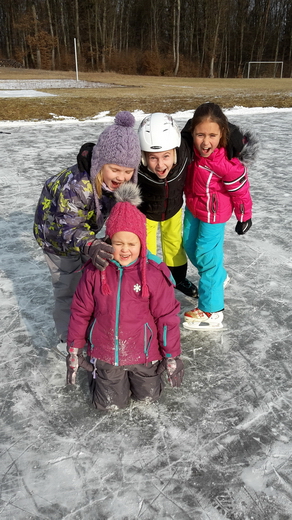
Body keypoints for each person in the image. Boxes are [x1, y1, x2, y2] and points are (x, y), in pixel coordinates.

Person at [66, 183, 184, 410]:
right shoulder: (95, 270)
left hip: (145, 354)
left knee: (149, 399)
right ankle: (101, 379)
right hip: (106, 354)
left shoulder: (154, 273)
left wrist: (171, 355)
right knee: (110, 406)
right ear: (109, 241)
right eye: (119, 243)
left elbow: (167, 317)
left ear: (142, 243)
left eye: (132, 243)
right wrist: (74, 348)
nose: (125, 249)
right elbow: (80, 311)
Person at [33, 111, 141, 353]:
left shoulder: (118, 183)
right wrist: (92, 245)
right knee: (68, 287)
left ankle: (86, 322)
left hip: (84, 232)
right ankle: (67, 337)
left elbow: (120, 215)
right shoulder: (77, 187)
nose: (121, 177)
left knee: (87, 280)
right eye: (115, 169)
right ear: (100, 163)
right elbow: (67, 227)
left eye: (127, 172)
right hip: (55, 237)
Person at [182, 102, 254, 331]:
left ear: (222, 133)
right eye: (200, 134)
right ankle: (218, 277)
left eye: (212, 135)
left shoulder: (225, 161)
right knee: (188, 245)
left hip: (214, 214)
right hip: (194, 208)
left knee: (207, 254)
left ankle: (211, 310)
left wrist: (244, 216)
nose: (206, 142)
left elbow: (240, 189)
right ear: (192, 132)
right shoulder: (189, 152)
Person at [137, 113, 198, 299]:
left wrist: (235, 137)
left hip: (173, 209)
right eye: (153, 158)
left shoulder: (185, 150)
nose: (161, 164)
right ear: (143, 157)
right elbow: (109, 151)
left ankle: (177, 279)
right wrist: (88, 152)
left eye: (166, 156)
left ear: (175, 150)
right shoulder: (135, 165)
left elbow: (202, 122)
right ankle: (149, 281)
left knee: (174, 244)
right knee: (145, 248)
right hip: (145, 212)